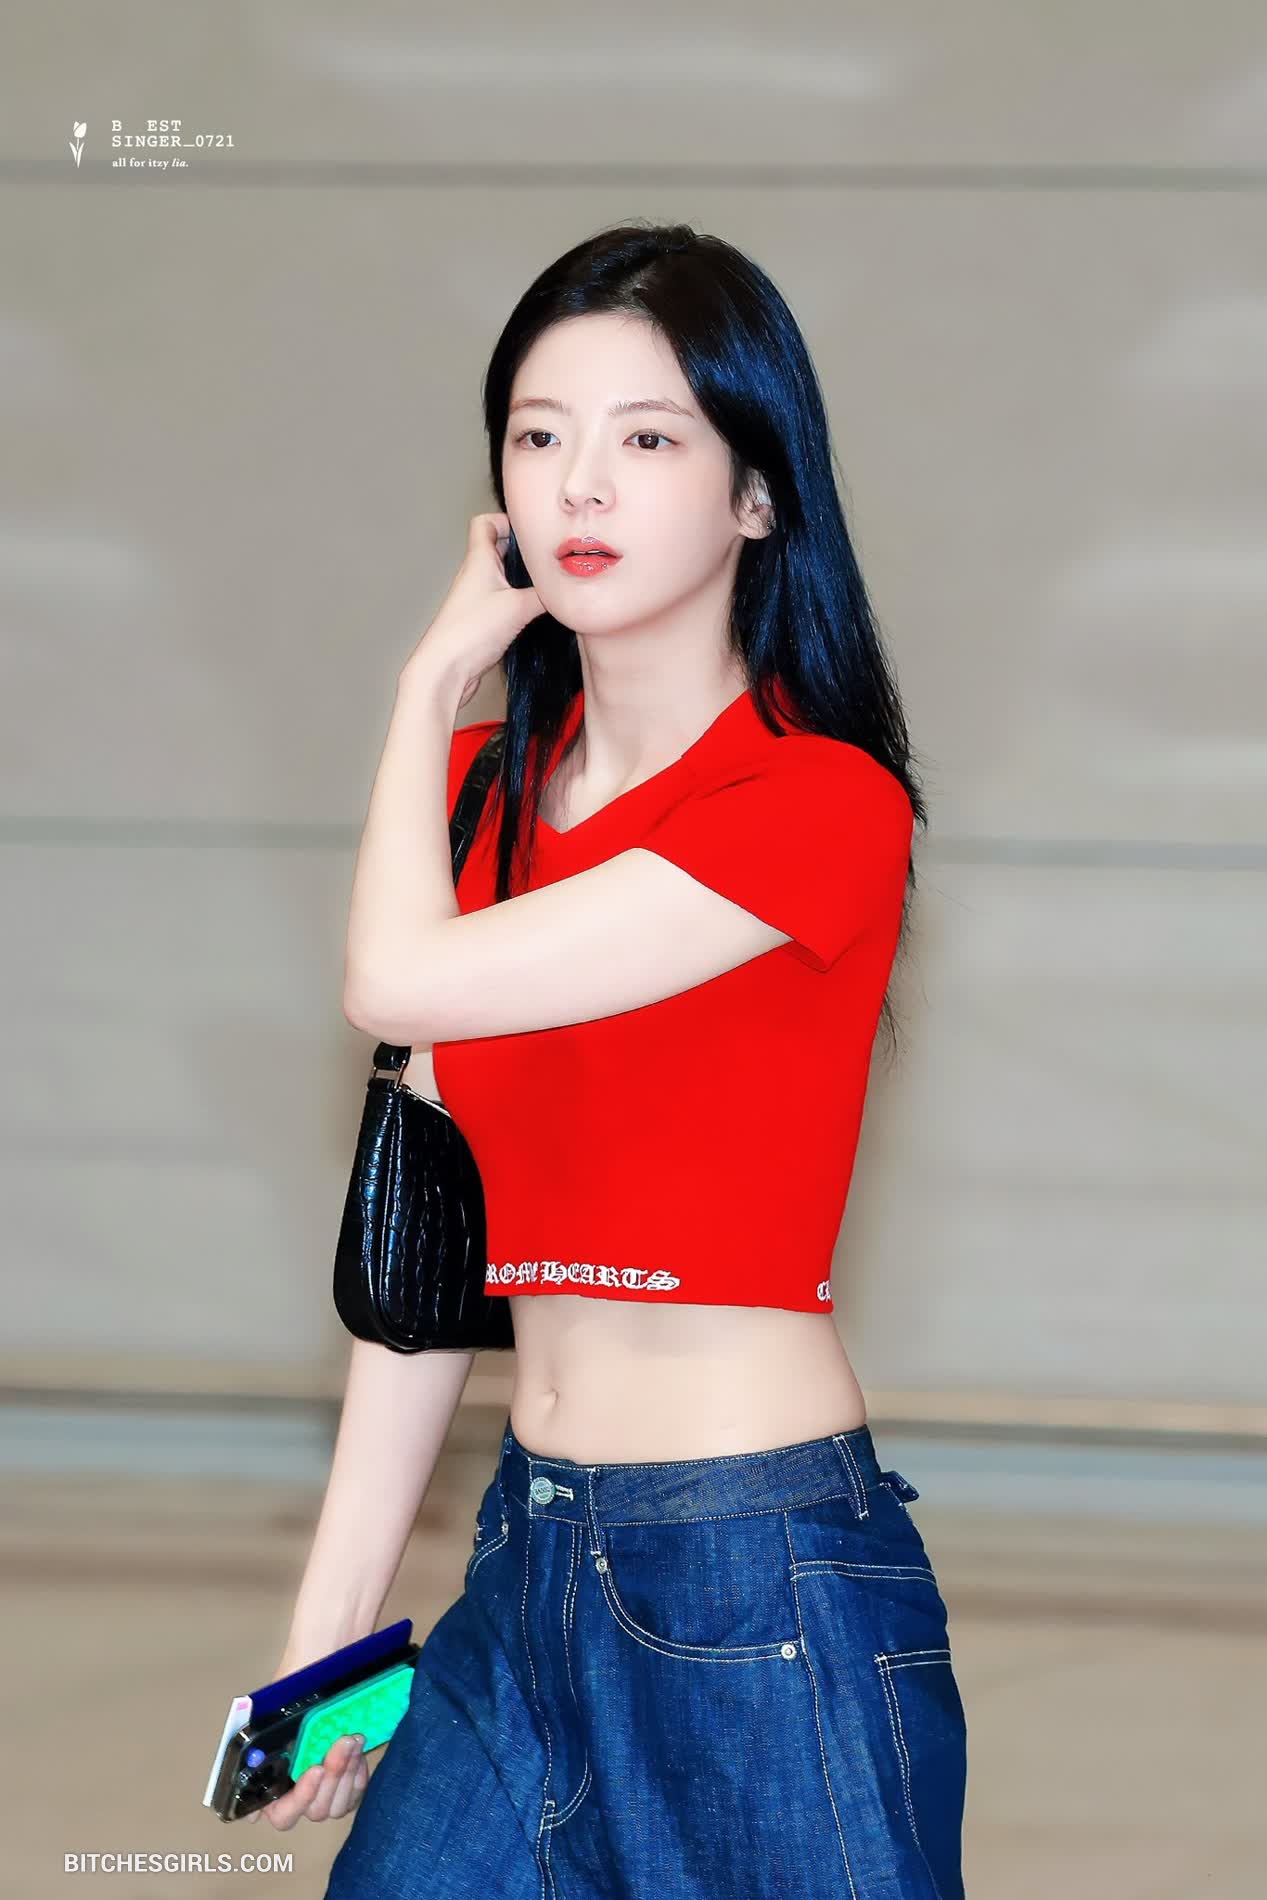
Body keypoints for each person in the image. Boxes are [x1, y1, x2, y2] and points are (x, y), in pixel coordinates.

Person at [252, 221, 968, 1897]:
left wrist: (429, 672)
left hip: (753, 1574)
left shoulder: (818, 805)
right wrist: (330, 1638)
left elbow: (388, 977)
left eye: (648, 439)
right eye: (538, 433)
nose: (579, 482)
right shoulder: (479, 802)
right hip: (526, 1556)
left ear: (756, 496)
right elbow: (424, 1271)